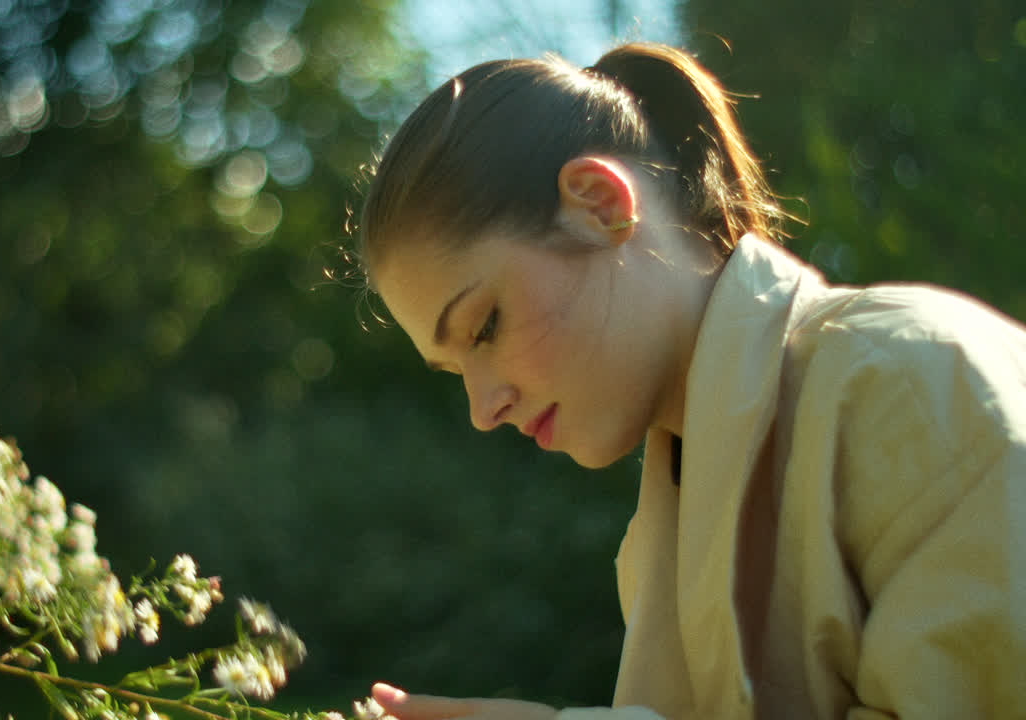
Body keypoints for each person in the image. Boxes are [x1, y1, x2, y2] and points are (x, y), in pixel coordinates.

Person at [352, 42, 1026, 719]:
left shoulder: (914, 379)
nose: (482, 408)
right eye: (454, 370)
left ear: (599, 204)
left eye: (485, 326)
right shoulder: (663, 539)